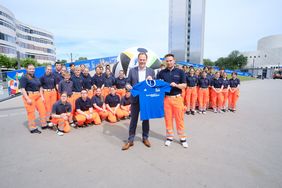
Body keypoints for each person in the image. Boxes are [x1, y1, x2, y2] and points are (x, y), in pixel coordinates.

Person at [122, 52, 155, 150]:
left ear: (146, 60)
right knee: (133, 120)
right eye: (140, 59)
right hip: (135, 98)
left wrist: (151, 79)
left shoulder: (151, 71)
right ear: (138, 59)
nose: (142, 61)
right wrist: (128, 86)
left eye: (144, 59)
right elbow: (127, 82)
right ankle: (130, 140)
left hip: (146, 100)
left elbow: (154, 84)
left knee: (145, 119)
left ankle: (145, 138)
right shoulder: (132, 71)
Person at [157, 54, 188, 148]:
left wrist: (176, 85)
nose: (169, 62)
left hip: (177, 98)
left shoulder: (180, 72)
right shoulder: (161, 73)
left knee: (179, 119)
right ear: (165, 62)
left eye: (170, 60)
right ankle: (169, 137)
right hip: (166, 99)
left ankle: (182, 138)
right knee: (168, 119)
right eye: (167, 61)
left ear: (174, 61)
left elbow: (184, 85)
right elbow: (158, 84)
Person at [20, 64, 47, 134]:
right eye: (30, 69)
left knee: (42, 110)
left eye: (33, 69)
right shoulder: (24, 77)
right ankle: (32, 128)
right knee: (31, 112)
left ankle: (44, 124)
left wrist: (42, 96)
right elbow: (22, 89)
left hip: (38, 96)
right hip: (30, 96)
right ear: (27, 69)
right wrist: (27, 99)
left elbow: (40, 87)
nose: (32, 70)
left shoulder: (35, 77)